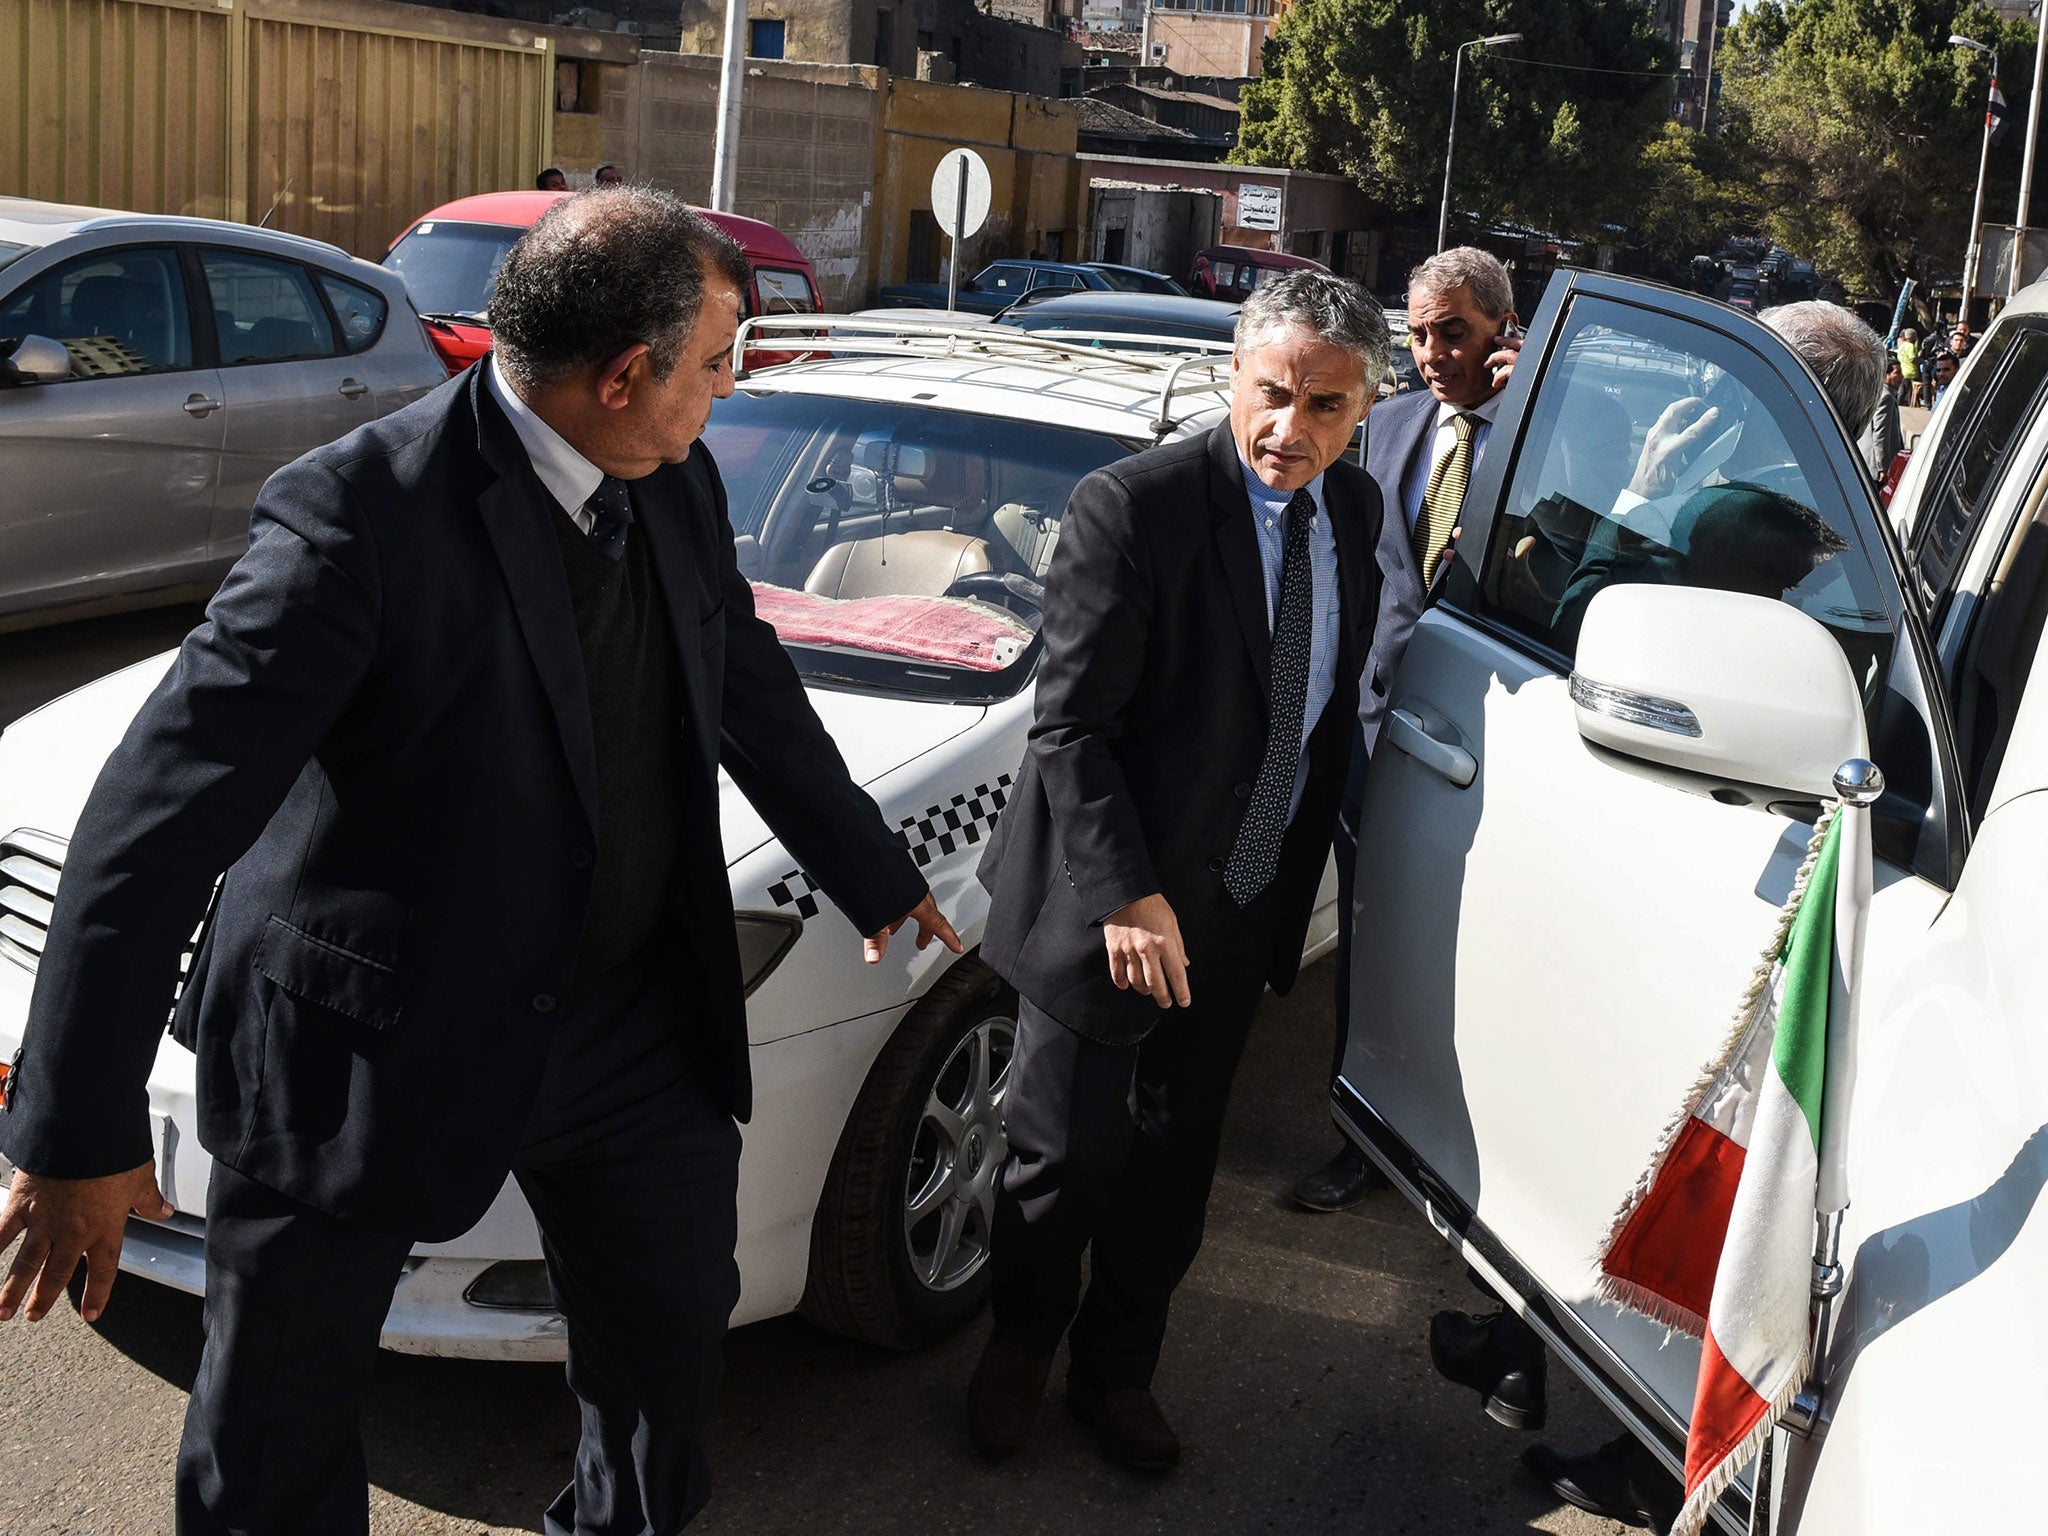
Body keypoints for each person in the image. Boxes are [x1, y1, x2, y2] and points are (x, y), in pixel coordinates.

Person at [0, 187, 960, 1536]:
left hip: (626, 1033)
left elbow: (741, 678)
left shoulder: (672, 478)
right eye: (711, 364)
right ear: (623, 375)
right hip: (366, 1044)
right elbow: (156, 821)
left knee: (669, 1358)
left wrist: (872, 869)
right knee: (274, 1429)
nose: (722, 394)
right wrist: (75, 1130)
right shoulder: (355, 520)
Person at [1431, 298, 1880, 1533]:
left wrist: (1633, 481)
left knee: (1638, 1134)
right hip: (1718, 843)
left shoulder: (1743, 510)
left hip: (1695, 846)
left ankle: (1629, 1434)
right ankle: (1529, 1354)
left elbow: (1588, 625)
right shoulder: (1810, 506)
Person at [965, 271, 1389, 1472]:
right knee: (1062, 1161)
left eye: (1322, 407)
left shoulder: (1351, 514)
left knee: (1169, 1172)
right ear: (1233, 376)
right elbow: (1069, 730)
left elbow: (1315, 709)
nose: (1286, 430)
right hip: (1105, 906)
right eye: (1270, 395)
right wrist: (1128, 895)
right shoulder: (1132, 508)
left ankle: (1116, 1373)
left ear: (1361, 408)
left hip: (1239, 904)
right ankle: (1017, 1352)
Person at [1290, 246, 1521, 1215]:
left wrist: (1523, 417)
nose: (1430, 353)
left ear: (1500, 335)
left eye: (1452, 334)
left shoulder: (1541, 436)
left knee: (1476, 959)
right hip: (1372, 748)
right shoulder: (1380, 429)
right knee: (1372, 954)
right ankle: (1365, 1135)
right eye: (1417, 333)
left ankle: (1482, 1159)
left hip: (1491, 756)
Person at [1896, 326, 1920, 407]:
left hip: (1903, 370)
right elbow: (1912, 359)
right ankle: (1911, 405)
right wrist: (1920, 360)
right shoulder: (1911, 346)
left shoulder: (1902, 346)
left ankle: (1898, 403)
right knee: (1911, 391)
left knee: (1902, 390)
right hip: (1911, 372)